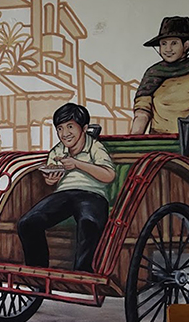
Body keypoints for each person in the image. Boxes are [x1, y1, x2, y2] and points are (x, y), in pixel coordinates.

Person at [17, 103, 116, 273]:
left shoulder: (94, 147)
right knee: (27, 223)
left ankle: (83, 272)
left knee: (89, 222)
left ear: (84, 128)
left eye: (70, 126)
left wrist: (77, 164)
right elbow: (50, 178)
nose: (65, 133)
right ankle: (37, 272)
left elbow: (109, 175)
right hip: (64, 194)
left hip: (92, 194)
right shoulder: (57, 151)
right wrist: (51, 179)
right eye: (60, 128)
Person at [130, 16, 189, 134]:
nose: (168, 49)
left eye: (174, 43)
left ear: (186, 45)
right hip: (159, 136)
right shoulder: (153, 73)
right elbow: (142, 109)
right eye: (164, 44)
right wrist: (134, 137)